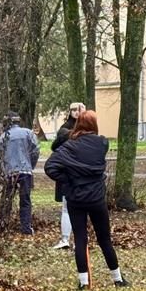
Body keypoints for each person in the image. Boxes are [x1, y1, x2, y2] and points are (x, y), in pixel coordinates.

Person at [45, 111, 129, 290]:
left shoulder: (69, 146)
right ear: (94, 125)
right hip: (96, 197)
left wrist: (69, 180)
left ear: (77, 124)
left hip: (76, 198)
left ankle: (84, 282)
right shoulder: (102, 143)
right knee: (105, 238)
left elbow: (50, 166)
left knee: (81, 239)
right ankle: (118, 279)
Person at [51, 102, 86, 249]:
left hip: (83, 174)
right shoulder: (64, 130)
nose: (76, 112)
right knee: (67, 208)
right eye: (73, 109)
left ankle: (81, 239)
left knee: (83, 207)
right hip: (68, 174)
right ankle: (65, 238)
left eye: (79, 109)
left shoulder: (87, 129)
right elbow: (55, 147)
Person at [0, 112, 39, 235]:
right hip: (25, 171)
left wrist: (4, 170)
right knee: (25, 200)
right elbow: (35, 151)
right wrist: (30, 165)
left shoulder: (3, 137)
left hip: (10, 173)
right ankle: (26, 228)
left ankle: (2, 225)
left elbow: (0, 157)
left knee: (6, 199)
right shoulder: (28, 133)